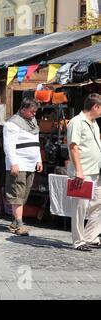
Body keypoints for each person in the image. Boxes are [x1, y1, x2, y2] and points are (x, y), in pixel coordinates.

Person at [3, 98, 43, 236]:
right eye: (32, 112)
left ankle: (14, 222)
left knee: (24, 194)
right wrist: (13, 163)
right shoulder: (12, 124)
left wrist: (38, 160)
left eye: (35, 112)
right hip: (19, 164)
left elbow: (35, 142)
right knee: (17, 194)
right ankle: (19, 225)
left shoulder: (32, 122)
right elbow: (8, 146)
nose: (34, 114)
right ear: (23, 109)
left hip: (30, 164)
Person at [67, 93, 101, 252]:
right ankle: (78, 240)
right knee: (80, 207)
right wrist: (79, 170)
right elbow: (73, 147)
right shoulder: (77, 122)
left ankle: (90, 236)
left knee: (98, 204)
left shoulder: (94, 123)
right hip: (83, 171)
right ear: (95, 106)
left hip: (96, 171)